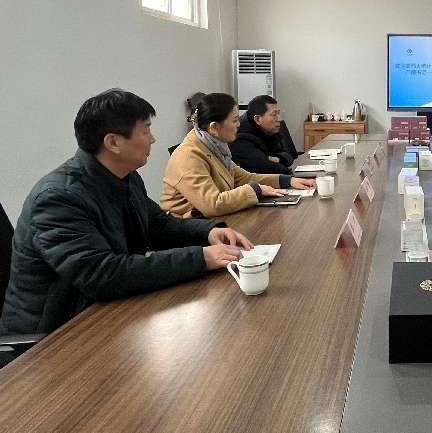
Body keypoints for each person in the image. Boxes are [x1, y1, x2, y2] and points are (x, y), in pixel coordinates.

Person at [0, 89, 253, 342]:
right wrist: (201, 258)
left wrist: (208, 232)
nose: (153, 139)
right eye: (145, 130)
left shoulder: (126, 176)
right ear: (113, 142)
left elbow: (157, 224)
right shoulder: (58, 198)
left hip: (109, 313)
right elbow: (102, 274)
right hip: (54, 337)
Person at [161, 93, 314, 218]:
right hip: (188, 230)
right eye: (234, 120)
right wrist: (256, 190)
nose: (239, 124)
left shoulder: (216, 146)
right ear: (214, 127)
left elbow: (244, 178)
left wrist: (288, 180)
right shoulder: (189, 156)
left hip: (214, 221)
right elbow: (213, 204)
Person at [228, 95, 294, 174]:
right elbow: (267, 169)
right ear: (258, 119)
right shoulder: (240, 139)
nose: (280, 119)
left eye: (278, 113)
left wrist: (278, 159)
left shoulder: (270, 129)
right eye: (274, 115)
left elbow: (289, 155)